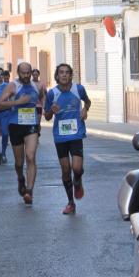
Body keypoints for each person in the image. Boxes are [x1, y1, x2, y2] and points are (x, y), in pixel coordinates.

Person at [44, 63, 91, 215]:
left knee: (77, 168)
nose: (64, 75)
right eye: (61, 73)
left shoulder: (79, 89)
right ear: (57, 76)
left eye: (67, 73)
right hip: (60, 136)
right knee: (65, 170)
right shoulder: (52, 94)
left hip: (76, 133)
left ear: (71, 75)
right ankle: (71, 202)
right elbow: (47, 116)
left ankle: (78, 180)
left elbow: (88, 101)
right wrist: (51, 110)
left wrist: (85, 109)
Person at [0, 61, 45, 204]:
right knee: (19, 162)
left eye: (28, 73)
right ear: (18, 73)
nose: (26, 75)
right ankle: (20, 178)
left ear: (31, 73)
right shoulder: (13, 86)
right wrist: (18, 102)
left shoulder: (36, 86)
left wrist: (43, 111)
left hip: (31, 125)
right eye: (23, 73)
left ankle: (29, 191)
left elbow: (42, 97)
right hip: (15, 125)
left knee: (31, 157)